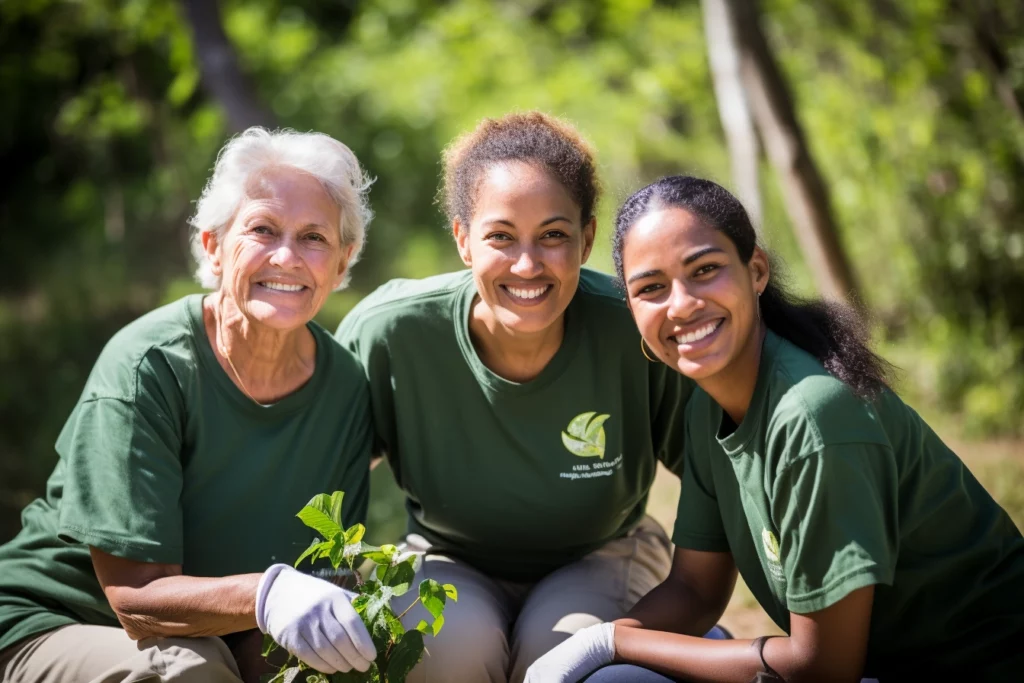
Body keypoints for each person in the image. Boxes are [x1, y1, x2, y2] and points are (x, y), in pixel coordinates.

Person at [524, 175, 1024, 683]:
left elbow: (823, 668)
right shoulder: (706, 407)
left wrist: (616, 641)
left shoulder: (814, 416)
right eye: (651, 288)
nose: (681, 304)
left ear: (756, 270)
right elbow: (696, 591)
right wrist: (592, 646)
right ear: (631, 311)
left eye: (705, 270)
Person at [336, 113, 720, 683]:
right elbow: (321, 470)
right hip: (449, 556)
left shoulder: (634, 328)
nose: (527, 264)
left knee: (559, 655)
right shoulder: (392, 331)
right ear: (463, 239)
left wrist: (696, 594)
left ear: (588, 239)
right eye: (500, 236)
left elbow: (717, 469)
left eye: (553, 236)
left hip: (600, 552)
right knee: (446, 655)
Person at [0, 128, 380, 683]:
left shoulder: (345, 387)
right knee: (190, 674)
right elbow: (136, 598)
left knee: (336, 664)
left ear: (343, 263)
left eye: (314, 238)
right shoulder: (148, 366)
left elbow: (322, 579)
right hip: (58, 619)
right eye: (262, 229)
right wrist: (266, 594)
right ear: (213, 247)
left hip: (220, 631)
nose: (286, 256)